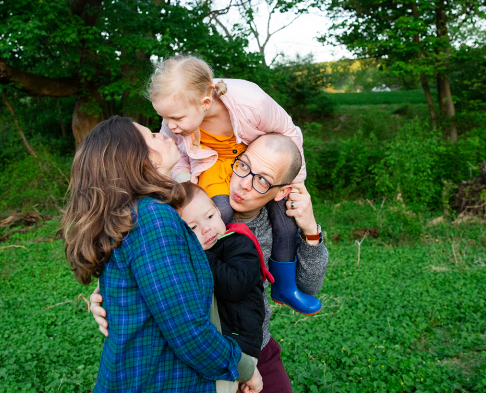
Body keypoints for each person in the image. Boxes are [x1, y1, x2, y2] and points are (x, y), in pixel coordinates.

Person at [91, 133, 329, 393]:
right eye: (244, 166)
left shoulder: (277, 224)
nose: (245, 184)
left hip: (254, 343)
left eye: (262, 180)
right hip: (200, 351)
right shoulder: (189, 198)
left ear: (281, 191)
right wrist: (103, 296)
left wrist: (310, 231)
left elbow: (307, 287)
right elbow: (145, 256)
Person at [60, 116, 262, 393]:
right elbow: (189, 332)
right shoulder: (153, 218)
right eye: (153, 136)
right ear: (143, 162)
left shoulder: (134, 216)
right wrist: (246, 369)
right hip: (162, 380)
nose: (165, 135)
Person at [147, 55, 320, 314]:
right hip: (212, 166)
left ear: (205, 103)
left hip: (254, 163)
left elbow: (290, 134)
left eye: (176, 118)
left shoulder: (252, 102)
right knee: (219, 213)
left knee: (286, 220)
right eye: (163, 117)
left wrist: (296, 182)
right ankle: (205, 286)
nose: (169, 126)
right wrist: (186, 183)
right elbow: (180, 158)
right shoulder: (174, 121)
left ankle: (285, 286)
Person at [178, 183, 274, 393]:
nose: (206, 229)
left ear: (219, 212)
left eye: (210, 217)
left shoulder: (239, 242)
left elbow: (235, 285)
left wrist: (199, 255)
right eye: (193, 228)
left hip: (240, 342)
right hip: (215, 343)